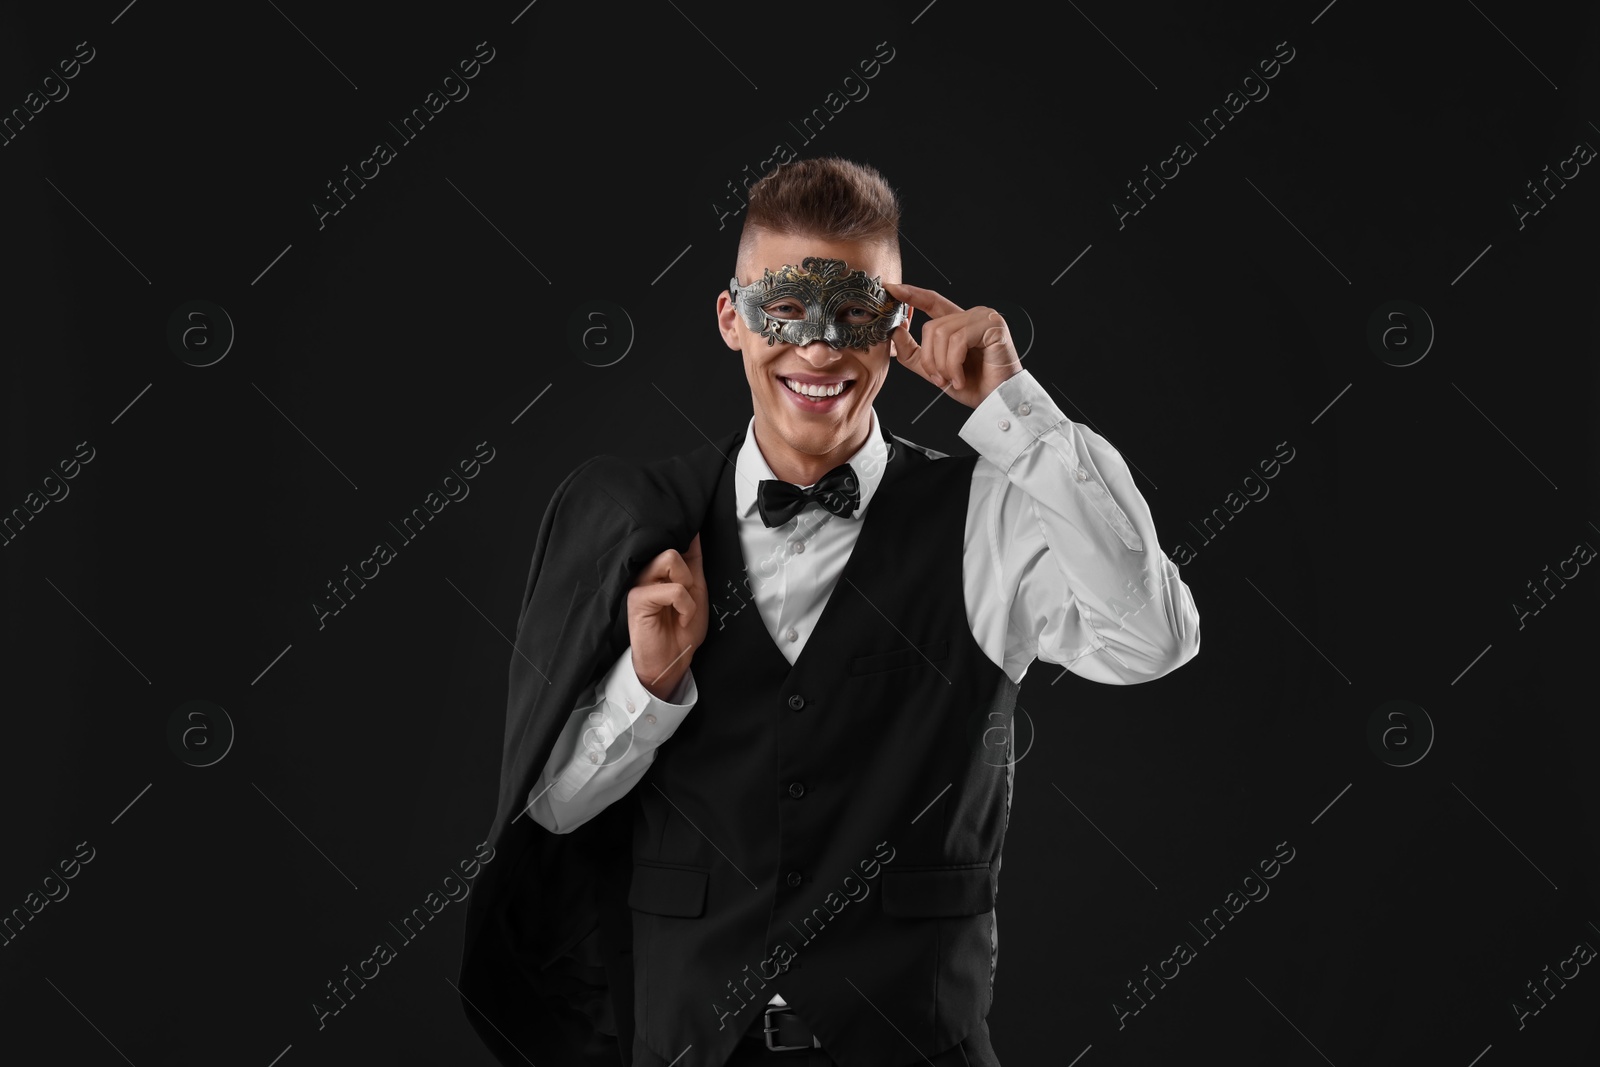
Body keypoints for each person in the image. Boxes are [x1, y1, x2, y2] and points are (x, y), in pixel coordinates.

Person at [457, 156, 1200, 1067]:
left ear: (897, 325)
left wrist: (1016, 407)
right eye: (783, 311)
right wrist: (647, 687)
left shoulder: (994, 510)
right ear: (733, 319)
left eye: (852, 313)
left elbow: (1155, 639)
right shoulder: (632, 519)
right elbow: (551, 815)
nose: (816, 351)